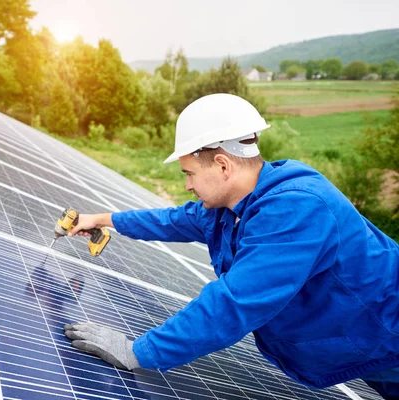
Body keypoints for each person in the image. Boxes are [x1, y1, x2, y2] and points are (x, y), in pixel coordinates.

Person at [63, 93, 399, 399]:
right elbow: (170, 220)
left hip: (389, 337)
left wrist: (137, 351)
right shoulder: (232, 206)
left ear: (223, 165)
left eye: (190, 173)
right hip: (366, 346)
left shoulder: (297, 210)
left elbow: (235, 302)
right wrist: (99, 219)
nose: (187, 184)